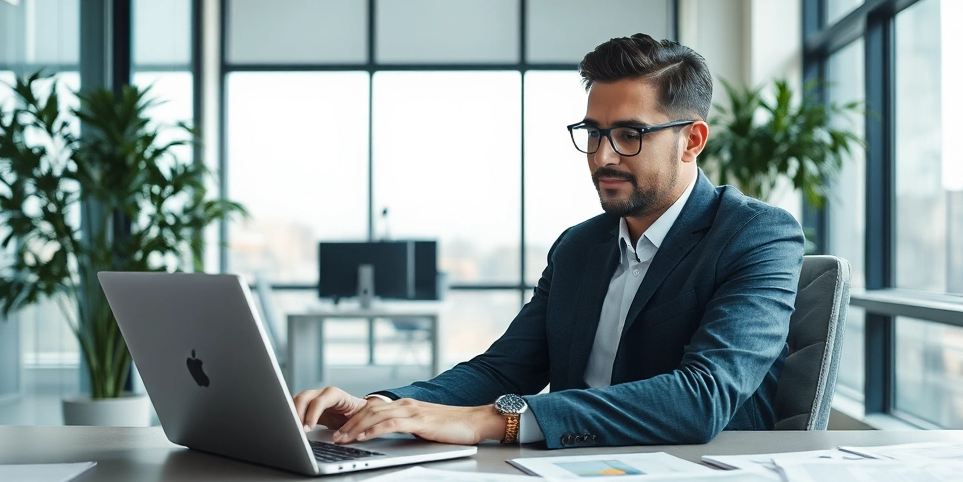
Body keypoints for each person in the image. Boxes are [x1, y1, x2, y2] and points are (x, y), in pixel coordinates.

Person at [294, 34, 804, 449]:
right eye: (594, 132)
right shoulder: (579, 246)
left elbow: (702, 397)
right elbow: (503, 370)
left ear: (691, 140)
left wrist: (495, 421)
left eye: (630, 135)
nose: (603, 156)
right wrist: (381, 407)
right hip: (570, 475)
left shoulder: (756, 234)